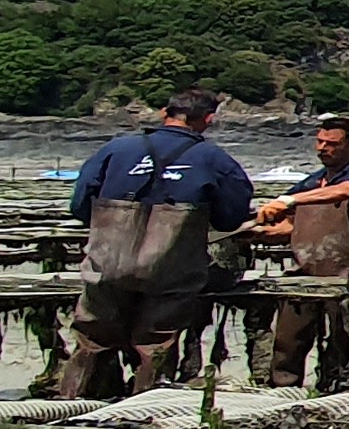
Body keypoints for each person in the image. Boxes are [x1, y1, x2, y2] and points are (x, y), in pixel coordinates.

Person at [62, 88, 256, 395]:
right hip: (171, 269)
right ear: (207, 119)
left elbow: (79, 206)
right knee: (155, 343)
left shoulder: (116, 149)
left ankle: (76, 405)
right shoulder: (214, 159)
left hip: (107, 263)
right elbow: (231, 218)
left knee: (93, 337)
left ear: (165, 113)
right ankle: (146, 410)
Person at [254, 113, 349, 387]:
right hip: (307, 269)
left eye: (332, 143)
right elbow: (290, 226)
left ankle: (338, 386)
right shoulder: (312, 181)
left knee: (342, 339)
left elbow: (343, 192)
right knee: (288, 338)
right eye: (319, 142)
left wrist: (287, 199)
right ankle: (284, 387)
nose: (322, 148)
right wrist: (257, 233)